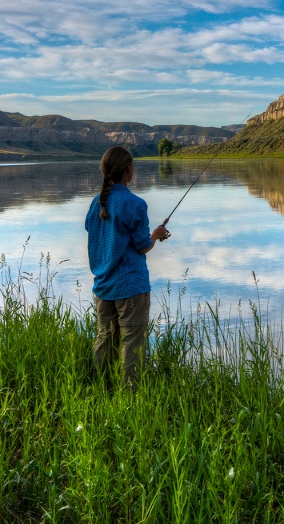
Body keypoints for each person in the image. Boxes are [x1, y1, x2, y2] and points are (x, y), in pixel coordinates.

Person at [85, 146, 169, 388]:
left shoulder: (95, 202)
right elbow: (142, 246)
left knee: (105, 339)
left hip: (103, 285)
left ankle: (103, 388)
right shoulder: (134, 203)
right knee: (133, 342)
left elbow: (95, 230)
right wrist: (156, 235)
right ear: (129, 169)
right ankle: (131, 396)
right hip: (131, 286)